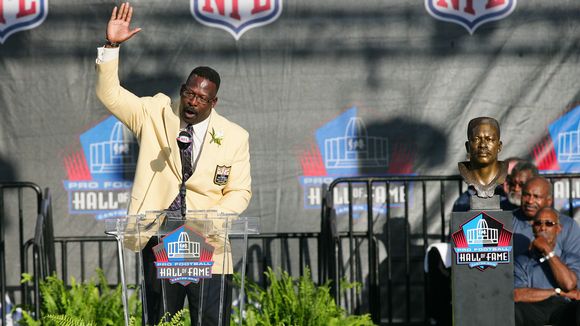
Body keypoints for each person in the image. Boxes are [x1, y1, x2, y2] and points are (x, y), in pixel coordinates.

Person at [95, 3, 252, 325]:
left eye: (201, 98)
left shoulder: (235, 136)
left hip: (207, 240)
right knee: (163, 319)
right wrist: (111, 47)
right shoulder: (155, 114)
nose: (192, 101)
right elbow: (109, 95)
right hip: (162, 237)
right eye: (188, 93)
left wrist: (211, 219)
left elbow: (240, 191)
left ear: (214, 102)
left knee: (210, 319)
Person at [514, 207, 580, 326]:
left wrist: (548, 252)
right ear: (533, 228)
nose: (543, 228)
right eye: (538, 223)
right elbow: (518, 294)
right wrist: (557, 291)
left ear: (558, 229)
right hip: (533, 309)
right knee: (514, 310)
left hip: (564, 309)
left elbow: (569, 284)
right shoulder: (521, 261)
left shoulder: (570, 259)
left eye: (549, 223)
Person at [512, 176, 580, 257]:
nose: (530, 201)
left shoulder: (568, 226)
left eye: (536, 197)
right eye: (526, 195)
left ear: (549, 201)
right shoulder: (508, 220)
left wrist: (548, 253)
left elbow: (574, 266)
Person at [458, 117, 507, 198]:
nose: (483, 145)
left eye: (489, 139)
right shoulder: (465, 171)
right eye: (476, 139)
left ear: (499, 146)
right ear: (467, 146)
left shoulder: (503, 172)